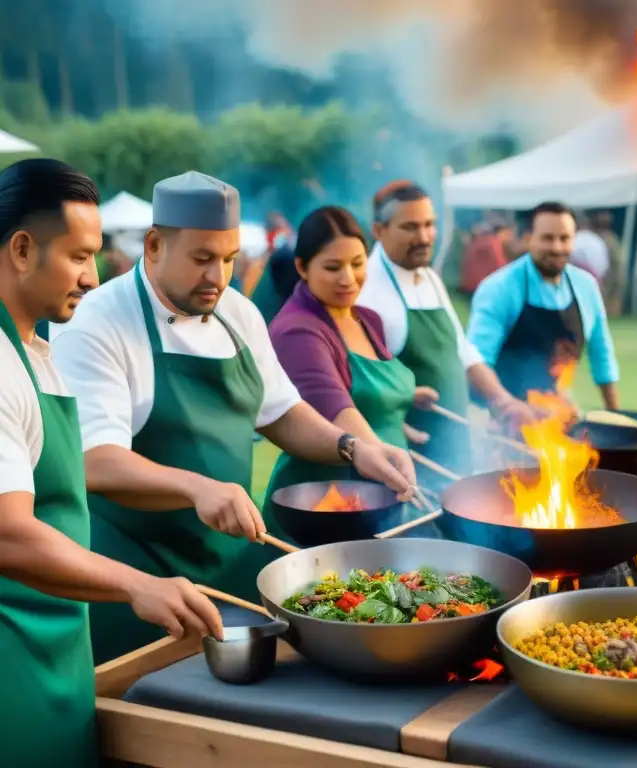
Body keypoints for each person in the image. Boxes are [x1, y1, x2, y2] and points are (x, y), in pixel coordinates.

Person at [50, 171, 415, 664]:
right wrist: (198, 487)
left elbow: (282, 412)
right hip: (142, 576)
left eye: (228, 259)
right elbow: (96, 461)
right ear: (154, 245)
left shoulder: (236, 312)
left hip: (232, 564)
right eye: (202, 259)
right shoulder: (99, 321)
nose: (218, 277)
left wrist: (352, 448)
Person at [0, 159, 223, 768]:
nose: (93, 278)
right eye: (78, 256)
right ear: (22, 249)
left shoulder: (35, 352)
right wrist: (136, 584)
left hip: (59, 648)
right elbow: (8, 534)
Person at [263, 206, 432, 521]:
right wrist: (386, 462)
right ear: (302, 267)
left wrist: (402, 399)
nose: (348, 278)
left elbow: (366, 390)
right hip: (328, 502)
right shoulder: (297, 331)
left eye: (357, 264)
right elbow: (335, 409)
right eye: (332, 267)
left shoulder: (367, 319)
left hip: (385, 489)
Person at [357, 181, 533, 483]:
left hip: (454, 449)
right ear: (379, 230)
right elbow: (361, 391)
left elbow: (462, 351)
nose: (424, 237)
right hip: (408, 461)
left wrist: (501, 399)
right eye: (410, 227)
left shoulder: (429, 278)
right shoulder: (366, 293)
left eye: (429, 225)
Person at [467, 201, 620, 410]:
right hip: (501, 414)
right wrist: (504, 404)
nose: (557, 248)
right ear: (529, 238)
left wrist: (615, 416)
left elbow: (601, 353)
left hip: (554, 413)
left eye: (564, 238)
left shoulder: (585, 286)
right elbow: (476, 360)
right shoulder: (499, 287)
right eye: (547, 238)